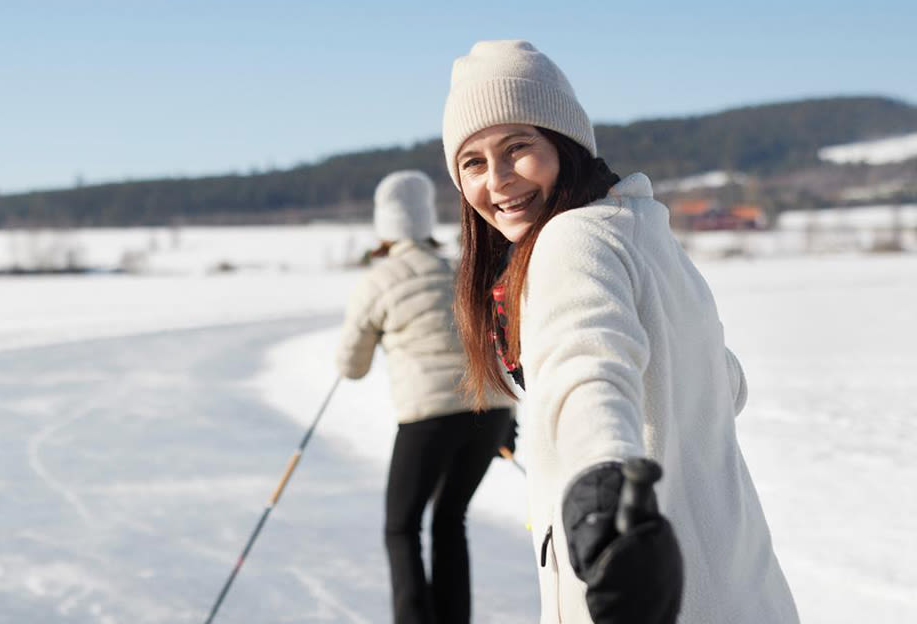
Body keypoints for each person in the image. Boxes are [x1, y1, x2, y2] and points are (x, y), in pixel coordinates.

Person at [440, 41, 800, 624]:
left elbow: (590, 367)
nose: (499, 180)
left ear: (564, 142)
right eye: (473, 163)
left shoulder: (569, 240)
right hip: (742, 590)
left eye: (517, 148)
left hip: (656, 598)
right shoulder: (642, 230)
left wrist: (602, 484)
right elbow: (726, 381)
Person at [337, 169, 518, 624]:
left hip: (429, 417)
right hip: (490, 412)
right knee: (449, 519)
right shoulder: (460, 268)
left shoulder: (378, 282)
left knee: (402, 526)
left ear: (385, 228)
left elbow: (351, 367)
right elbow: (495, 343)